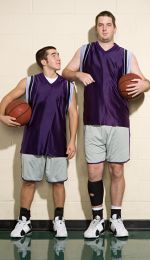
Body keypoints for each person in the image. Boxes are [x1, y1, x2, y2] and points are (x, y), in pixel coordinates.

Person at [62, 10, 150, 239]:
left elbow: (146, 81)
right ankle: (97, 220)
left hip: (119, 121)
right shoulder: (85, 50)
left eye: (108, 24)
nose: (104, 28)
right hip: (92, 121)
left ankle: (116, 219)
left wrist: (144, 85)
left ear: (114, 27)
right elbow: (65, 72)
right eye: (100, 25)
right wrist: (78, 74)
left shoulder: (126, 55)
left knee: (117, 170)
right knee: (94, 173)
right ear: (96, 28)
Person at [0, 46, 78, 238]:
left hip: (58, 141)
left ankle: (59, 221)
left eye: (58, 54)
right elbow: (8, 97)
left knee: (58, 183)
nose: (58, 58)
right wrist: (1, 116)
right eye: (54, 55)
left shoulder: (68, 86)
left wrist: (72, 140)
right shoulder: (29, 82)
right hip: (33, 140)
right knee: (28, 182)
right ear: (43, 61)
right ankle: (24, 221)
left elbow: (74, 113)